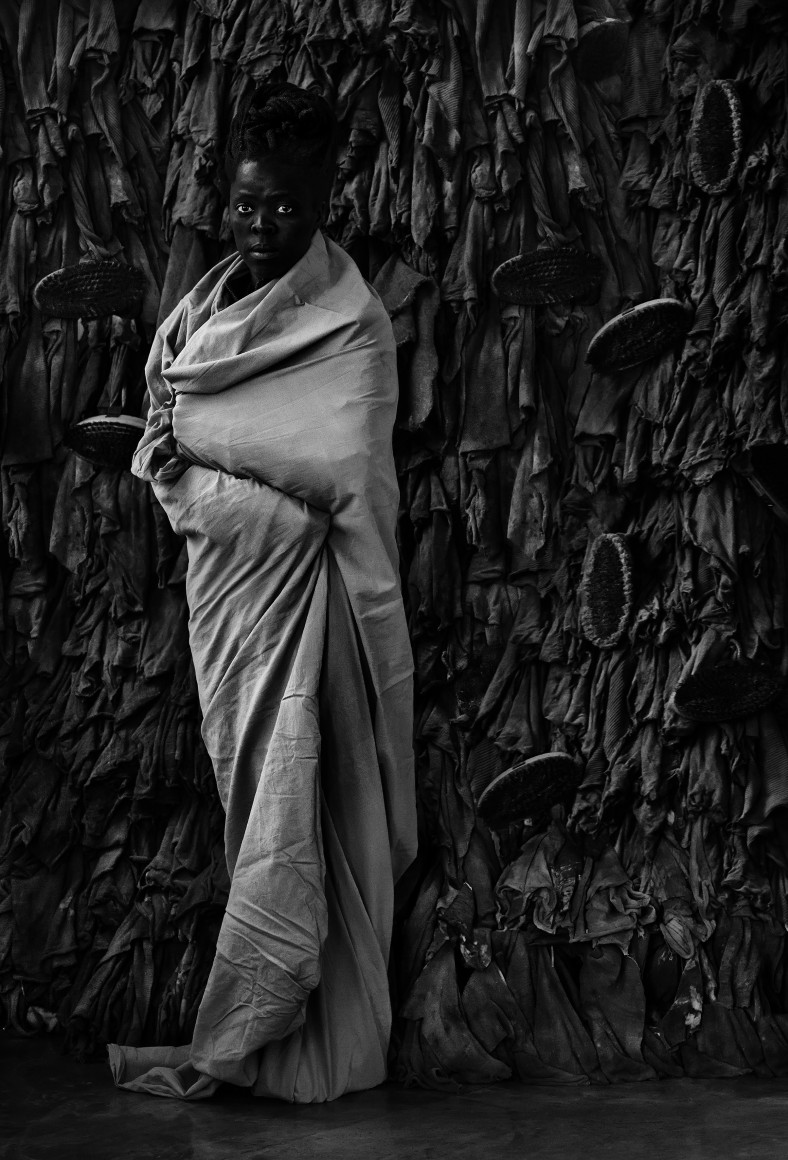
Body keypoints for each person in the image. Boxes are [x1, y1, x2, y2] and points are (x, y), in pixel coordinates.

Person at [107, 83, 417, 1104]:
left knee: (307, 802)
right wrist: (207, 465)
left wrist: (203, 452)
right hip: (232, 602)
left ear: (323, 199)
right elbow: (172, 415)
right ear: (224, 197)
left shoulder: (352, 323)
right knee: (256, 804)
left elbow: (335, 460)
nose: (260, 225)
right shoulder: (206, 302)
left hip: (315, 609)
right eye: (244, 204)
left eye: (284, 207)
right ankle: (257, 1023)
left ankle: (299, 1031)